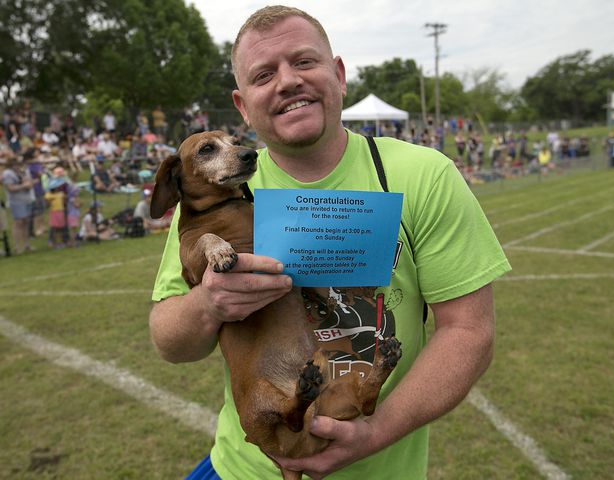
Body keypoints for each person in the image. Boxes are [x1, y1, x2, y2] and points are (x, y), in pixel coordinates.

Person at [149, 6, 510, 480]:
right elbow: (169, 341)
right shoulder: (218, 200)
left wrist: (376, 433)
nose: (286, 82)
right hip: (243, 467)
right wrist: (208, 304)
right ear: (242, 104)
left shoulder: (424, 175)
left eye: (303, 62)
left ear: (338, 75)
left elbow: (469, 332)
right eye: (263, 74)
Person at [2, 155, 37, 254]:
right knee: (18, 223)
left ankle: (26, 244)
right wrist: (23, 186)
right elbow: (10, 188)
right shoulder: (8, 173)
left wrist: (30, 183)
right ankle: (17, 246)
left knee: (26, 222)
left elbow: (29, 182)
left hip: (27, 199)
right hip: (16, 201)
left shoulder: (23, 170)